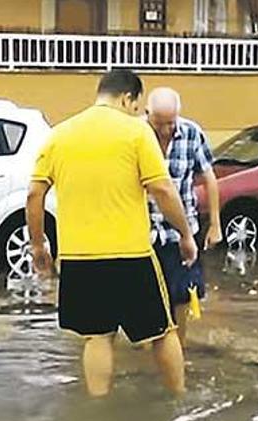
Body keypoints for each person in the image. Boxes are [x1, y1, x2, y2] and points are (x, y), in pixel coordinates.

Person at [26, 69, 198, 397]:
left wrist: (38, 246)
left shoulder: (60, 134)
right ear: (127, 98)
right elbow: (162, 189)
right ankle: (179, 398)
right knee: (162, 331)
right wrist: (186, 234)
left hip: (78, 259)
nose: (136, 113)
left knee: (97, 336)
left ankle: (98, 406)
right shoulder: (136, 133)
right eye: (136, 106)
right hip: (131, 255)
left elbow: (35, 194)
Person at [145, 87, 222, 349]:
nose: (166, 130)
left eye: (170, 123)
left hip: (181, 232)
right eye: (159, 124)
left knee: (182, 297)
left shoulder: (191, 132)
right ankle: (150, 352)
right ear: (147, 115)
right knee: (147, 299)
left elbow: (209, 177)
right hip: (142, 233)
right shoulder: (136, 136)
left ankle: (178, 352)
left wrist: (215, 224)